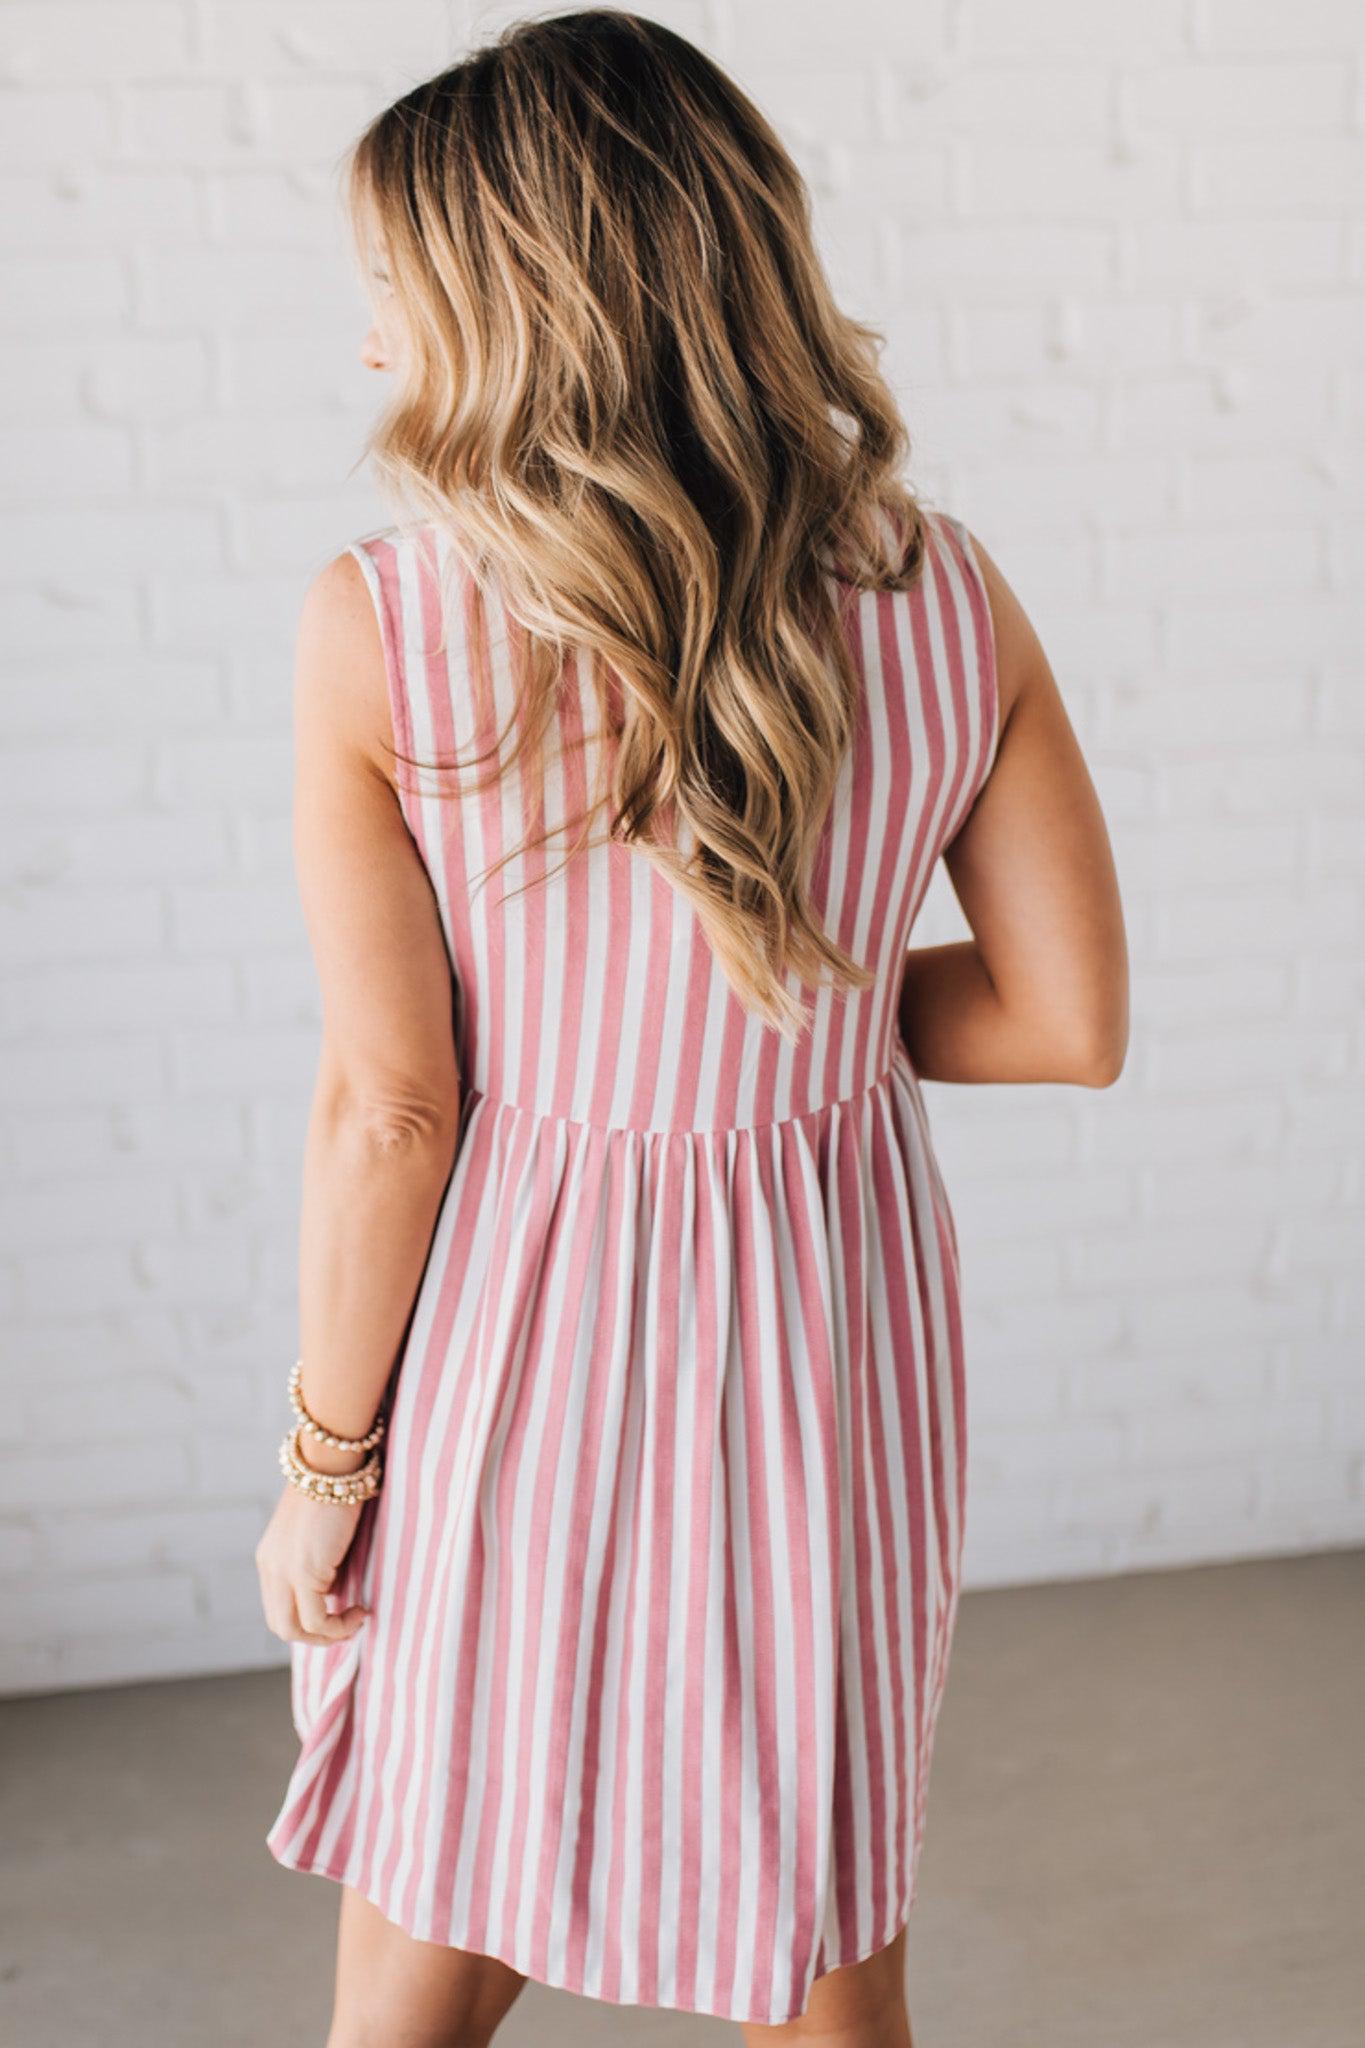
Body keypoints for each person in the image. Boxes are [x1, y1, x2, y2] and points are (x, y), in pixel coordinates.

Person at [253, 12, 1129, 2046]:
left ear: (512, 305)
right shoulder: (945, 592)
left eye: (396, 289)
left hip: (522, 1328)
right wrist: (774, 1017)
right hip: (831, 1315)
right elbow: (1063, 1017)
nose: (375, 342)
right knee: (820, 1922)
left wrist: (325, 1458)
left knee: (433, 1893)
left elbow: (396, 1111)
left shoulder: (384, 623)